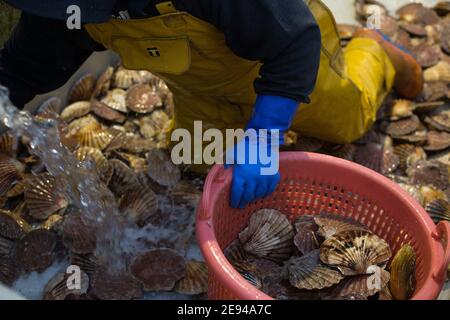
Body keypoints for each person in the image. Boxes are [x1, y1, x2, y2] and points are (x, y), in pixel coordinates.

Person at [0, 0, 423, 209]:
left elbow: (295, 44)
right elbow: (23, 67)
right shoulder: (63, 7)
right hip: (203, 86)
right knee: (201, 164)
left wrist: (263, 136)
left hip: (286, 53)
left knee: (346, 123)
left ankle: (372, 50)